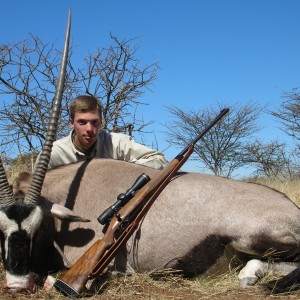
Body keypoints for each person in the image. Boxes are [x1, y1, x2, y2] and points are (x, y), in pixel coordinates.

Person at [37, 95, 168, 170]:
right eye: (82, 122)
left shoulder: (117, 143)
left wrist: (123, 169)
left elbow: (159, 160)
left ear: (101, 122)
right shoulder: (53, 154)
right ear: (71, 123)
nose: (89, 129)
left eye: (94, 122)